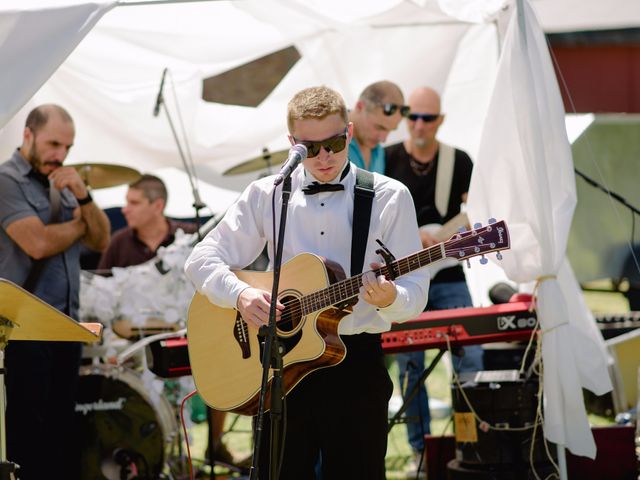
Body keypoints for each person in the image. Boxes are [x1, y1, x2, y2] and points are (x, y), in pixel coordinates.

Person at [184, 85, 429, 479]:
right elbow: (200, 259)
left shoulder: (389, 197)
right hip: (280, 365)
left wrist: (389, 297)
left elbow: (415, 294)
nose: (324, 156)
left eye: (333, 142)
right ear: (291, 143)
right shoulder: (268, 193)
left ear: (349, 132)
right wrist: (241, 294)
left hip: (356, 365)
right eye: (309, 148)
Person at [97, 174, 243, 468]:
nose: (125, 209)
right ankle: (151, 454)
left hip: (189, 335)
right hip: (136, 345)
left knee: (222, 364)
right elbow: (100, 299)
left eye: (133, 202)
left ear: (157, 205)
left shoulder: (189, 237)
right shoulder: (119, 244)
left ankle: (214, 446)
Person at [0, 104, 111, 479]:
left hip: (66, 323)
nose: (60, 155)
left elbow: (101, 239)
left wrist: (83, 199)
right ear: (27, 135)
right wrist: (79, 227)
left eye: (67, 147)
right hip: (22, 329)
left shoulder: (64, 184)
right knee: (27, 437)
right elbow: (37, 243)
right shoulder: (6, 181)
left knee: (62, 433)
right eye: (52, 144)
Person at [385, 86, 484, 468]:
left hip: (448, 275)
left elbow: (476, 210)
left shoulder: (458, 161)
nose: (419, 124)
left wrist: (445, 235)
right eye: (413, 116)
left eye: (428, 117)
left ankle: (470, 444)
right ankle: (420, 452)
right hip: (404, 280)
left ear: (440, 120)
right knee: (411, 368)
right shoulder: (388, 158)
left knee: (470, 356)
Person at [348, 80, 409, 173]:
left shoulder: (379, 152)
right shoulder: (327, 140)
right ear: (360, 107)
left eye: (390, 130)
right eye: (379, 127)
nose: (383, 139)